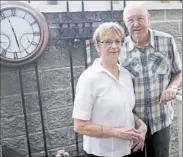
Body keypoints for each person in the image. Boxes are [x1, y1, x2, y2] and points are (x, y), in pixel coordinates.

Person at [72, 22, 147, 157]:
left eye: (118, 41)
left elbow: (125, 108)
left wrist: (141, 124)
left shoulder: (125, 73)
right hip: (102, 153)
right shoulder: (89, 78)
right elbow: (79, 126)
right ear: (97, 45)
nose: (114, 46)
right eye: (107, 41)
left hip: (129, 149)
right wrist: (117, 133)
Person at [120, 2, 182, 157]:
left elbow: (178, 72)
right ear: (125, 23)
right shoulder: (119, 49)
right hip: (133, 123)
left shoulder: (167, 41)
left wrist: (172, 87)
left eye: (140, 18)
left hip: (160, 119)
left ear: (149, 19)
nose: (136, 24)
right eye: (130, 20)